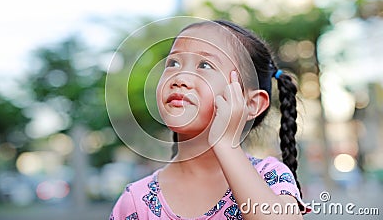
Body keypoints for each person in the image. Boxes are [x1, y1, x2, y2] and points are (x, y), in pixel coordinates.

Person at [109, 20, 311, 219]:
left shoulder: (269, 177)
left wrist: (225, 144)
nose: (180, 78)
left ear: (251, 104)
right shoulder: (136, 201)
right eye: (173, 63)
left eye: (205, 65)